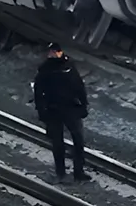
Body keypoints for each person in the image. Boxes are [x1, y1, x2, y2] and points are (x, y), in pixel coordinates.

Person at [33, 43, 92, 181]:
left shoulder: (68, 67)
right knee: (59, 143)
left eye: (56, 51)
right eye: (52, 51)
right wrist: (42, 112)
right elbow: (38, 93)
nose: (54, 54)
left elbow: (79, 87)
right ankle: (62, 173)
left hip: (70, 109)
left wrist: (83, 105)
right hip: (54, 111)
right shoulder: (47, 70)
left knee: (77, 141)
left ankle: (78, 171)